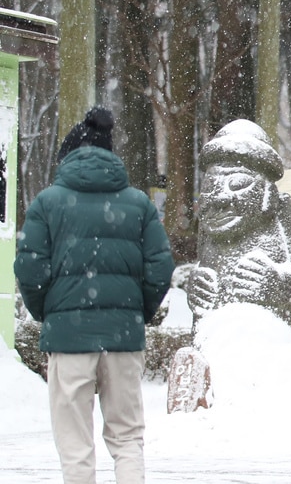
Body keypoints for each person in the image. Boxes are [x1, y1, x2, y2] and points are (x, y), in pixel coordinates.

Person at [14, 106, 174, 484]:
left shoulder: (47, 202)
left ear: (67, 157)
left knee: (75, 444)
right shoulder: (138, 204)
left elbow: (29, 269)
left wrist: (49, 313)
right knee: (127, 438)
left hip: (69, 341)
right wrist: (138, 311)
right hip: (123, 338)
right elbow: (160, 267)